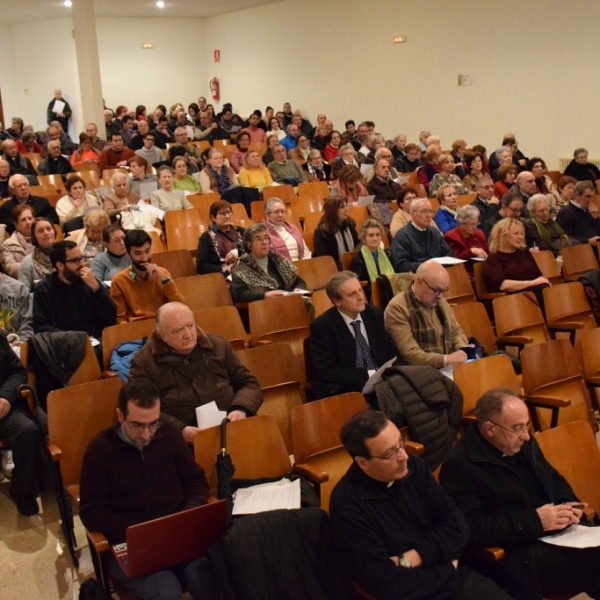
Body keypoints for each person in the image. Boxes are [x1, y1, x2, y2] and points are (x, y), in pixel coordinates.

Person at [329, 410, 514, 600]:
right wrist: (447, 568)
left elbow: (459, 527)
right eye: (390, 453)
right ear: (363, 462)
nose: (404, 457)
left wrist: (411, 557)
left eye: (401, 443)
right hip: (416, 592)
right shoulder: (347, 505)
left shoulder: (415, 468)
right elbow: (384, 581)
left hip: (455, 580)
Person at [439, 387, 600, 600]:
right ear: (489, 429)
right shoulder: (459, 466)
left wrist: (568, 504)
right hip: (514, 554)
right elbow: (472, 530)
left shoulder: (523, 442)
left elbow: (553, 477)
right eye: (517, 428)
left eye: (527, 426)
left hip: (552, 533)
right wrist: (535, 521)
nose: (526, 435)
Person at [79, 379, 216, 600]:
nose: (146, 434)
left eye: (153, 424)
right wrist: (138, 533)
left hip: (177, 537)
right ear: (120, 415)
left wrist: (187, 514)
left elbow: (196, 481)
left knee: (207, 576)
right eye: (137, 425)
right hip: (131, 545)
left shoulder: (170, 433)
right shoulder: (100, 451)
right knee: (166, 589)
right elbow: (92, 511)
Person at [129, 303, 262, 444]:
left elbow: (249, 383)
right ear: (162, 335)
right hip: (178, 442)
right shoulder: (143, 362)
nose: (188, 334)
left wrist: (241, 409)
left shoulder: (219, 345)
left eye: (190, 325)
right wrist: (179, 430)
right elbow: (141, 408)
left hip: (233, 428)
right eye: (177, 331)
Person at [310, 271, 400, 400]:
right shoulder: (322, 326)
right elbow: (327, 371)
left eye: (360, 290)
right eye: (352, 294)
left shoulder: (374, 314)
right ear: (337, 301)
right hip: (349, 390)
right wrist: (370, 375)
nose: (360, 297)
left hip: (384, 384)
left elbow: (391, 352)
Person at [384, 259, 469, 368]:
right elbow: (411, 355)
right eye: (435, 290)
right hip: (420, 374)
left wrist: (462, 350)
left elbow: (456, 332)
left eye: (443, 290)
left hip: (448, 367)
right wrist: (446, 360)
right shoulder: (397, 308)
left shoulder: (441, 302)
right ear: (419, 282)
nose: (440, 296)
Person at [32, 240, 116, 343]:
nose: (82, 264)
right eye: (75, 260)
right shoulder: (44, 289)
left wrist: (97, 289)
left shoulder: (90, 282)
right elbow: (40, 326)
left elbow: (111, 318)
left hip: (95, 339)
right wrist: (72, 338)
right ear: (60, 265)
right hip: (64, 343)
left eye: (81, 259)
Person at [0, 330, 42, 516]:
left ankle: (22, 491)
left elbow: (17, 372)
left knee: (27, 430)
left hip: (2, 407)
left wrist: (5, 396)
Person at [110, 230, 185, 324]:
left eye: (147, 251)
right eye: (138, 253)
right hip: (137, 329)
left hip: (163, 324)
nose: (145, 258)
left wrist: (165, 280)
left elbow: (180, 307)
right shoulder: (119, 281)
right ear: (129, 254)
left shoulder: (163, 273)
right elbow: (121, 319)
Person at [230, 223, 307, 303]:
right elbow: (240, 294)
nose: (264, 242)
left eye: (266, 238)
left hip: (289, 301)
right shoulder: (240, 266)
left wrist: (299, 289)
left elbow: (298, 280)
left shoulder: (277, 258)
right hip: (263, 307)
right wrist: (265, 295)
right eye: (258, 239)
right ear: (249, 245)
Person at [484, 218, 549, 307]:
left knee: (548, 290)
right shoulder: (494, 258)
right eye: (516, 233)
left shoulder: (524, 252)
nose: (520, 237)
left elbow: (538, 275)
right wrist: (532, 283)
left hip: (531, 294)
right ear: (504, 235)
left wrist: (542, 281)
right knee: (543, 290)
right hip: (508, 299)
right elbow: (503, 285)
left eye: (522, 233)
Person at [390, 198, 454, 273]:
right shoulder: (403, 235)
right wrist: (426, 266)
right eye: (424, 211)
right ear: (412, 214)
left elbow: (449, 254)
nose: (429, 215)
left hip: (439, 273)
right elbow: (401, 265)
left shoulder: (434, 232)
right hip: (417, 277)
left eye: (430, 211)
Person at [196, 200, 245, 276]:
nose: (227, 216)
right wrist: (225, 268)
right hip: (221, 277)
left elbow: (253, 251)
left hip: (244, 272)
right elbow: (201, 266)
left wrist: (237, 252)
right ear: (213, 217)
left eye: (229, 212)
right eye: (222, 213)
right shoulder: (206, 237)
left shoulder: (242, 231)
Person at [350, 219, 394, 298]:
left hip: (389, 291)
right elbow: (361, 285)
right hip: (372, 296)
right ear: (364, 238)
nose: (375, 238)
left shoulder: (387, 254)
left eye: (378, 235)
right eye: (371, 235)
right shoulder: (358, 260)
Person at [313, 197, 361, 270]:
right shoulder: (321, 232)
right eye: (342, 207)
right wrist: (345, 266)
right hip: (335, 270)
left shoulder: (349, 224)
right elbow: (325, 259)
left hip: (355, 264)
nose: (347, 210)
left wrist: (355, 258)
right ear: (333, 211)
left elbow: (359, 243)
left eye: (346, 206)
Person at [444, 205, 488, 274]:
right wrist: (471, 251)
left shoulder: (479, 234)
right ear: (461, 224)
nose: (475, 227)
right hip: (464, 273)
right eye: (471, 224)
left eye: (476, 223)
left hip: (482, 270)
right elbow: (455, 260)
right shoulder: (451, 237)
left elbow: (487, 252)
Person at [556, 180, 600, 245]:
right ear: (577, 195)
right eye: (587, 196)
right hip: (579, 250)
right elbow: (566, 239)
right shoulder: (565, 212)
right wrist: (587, 241)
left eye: (592, 196)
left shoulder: (589, 211)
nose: (590, 200)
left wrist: (595, 217)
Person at [18, 217, 56, 292]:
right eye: (41, 231)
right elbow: (23, 295)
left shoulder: (66, 256)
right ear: (34, 237)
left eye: (49, 229)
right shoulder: (27, 263)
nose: (46, 233)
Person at [0, 205, 35, 279]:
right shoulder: (7, 245)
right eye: (23, 220)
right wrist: (36, 264)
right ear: (16, 225)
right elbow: (11, 269)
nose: (28, 222)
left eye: (30, 218)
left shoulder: (43, 238)